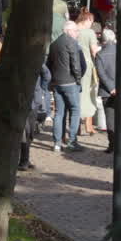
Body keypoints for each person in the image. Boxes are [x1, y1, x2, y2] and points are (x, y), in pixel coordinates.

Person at [47, 21, 86, 153]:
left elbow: (48, 64)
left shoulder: (53, 44)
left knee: (59, 113)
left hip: (57, 83)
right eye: (76, 31)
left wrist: (53, 79)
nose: (77, 33)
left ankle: (57, 143)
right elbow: (76, 64)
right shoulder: (72, 43)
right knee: (75, 110)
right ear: (68, 31)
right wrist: (78, 80)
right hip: (70, 82)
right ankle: (72, 141)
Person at [95, 28, 121, 153]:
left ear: (103, 40)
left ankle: (112, 144)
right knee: (119, 117)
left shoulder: (100, 55)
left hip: (107, 91)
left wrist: (112, 88)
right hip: (119, 89)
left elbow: (101, 74)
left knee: (110, 118)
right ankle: (118, 144)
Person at [75, 11, 102, 135]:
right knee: (88, 94)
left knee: (76, 96)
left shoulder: (73, 30)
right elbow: (94, 51)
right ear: (87, 19)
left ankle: (76, 127)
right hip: (86, 66)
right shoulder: (89, 33)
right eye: (91, 21)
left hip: (74, 66)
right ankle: (88, 126)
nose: (92, 24)